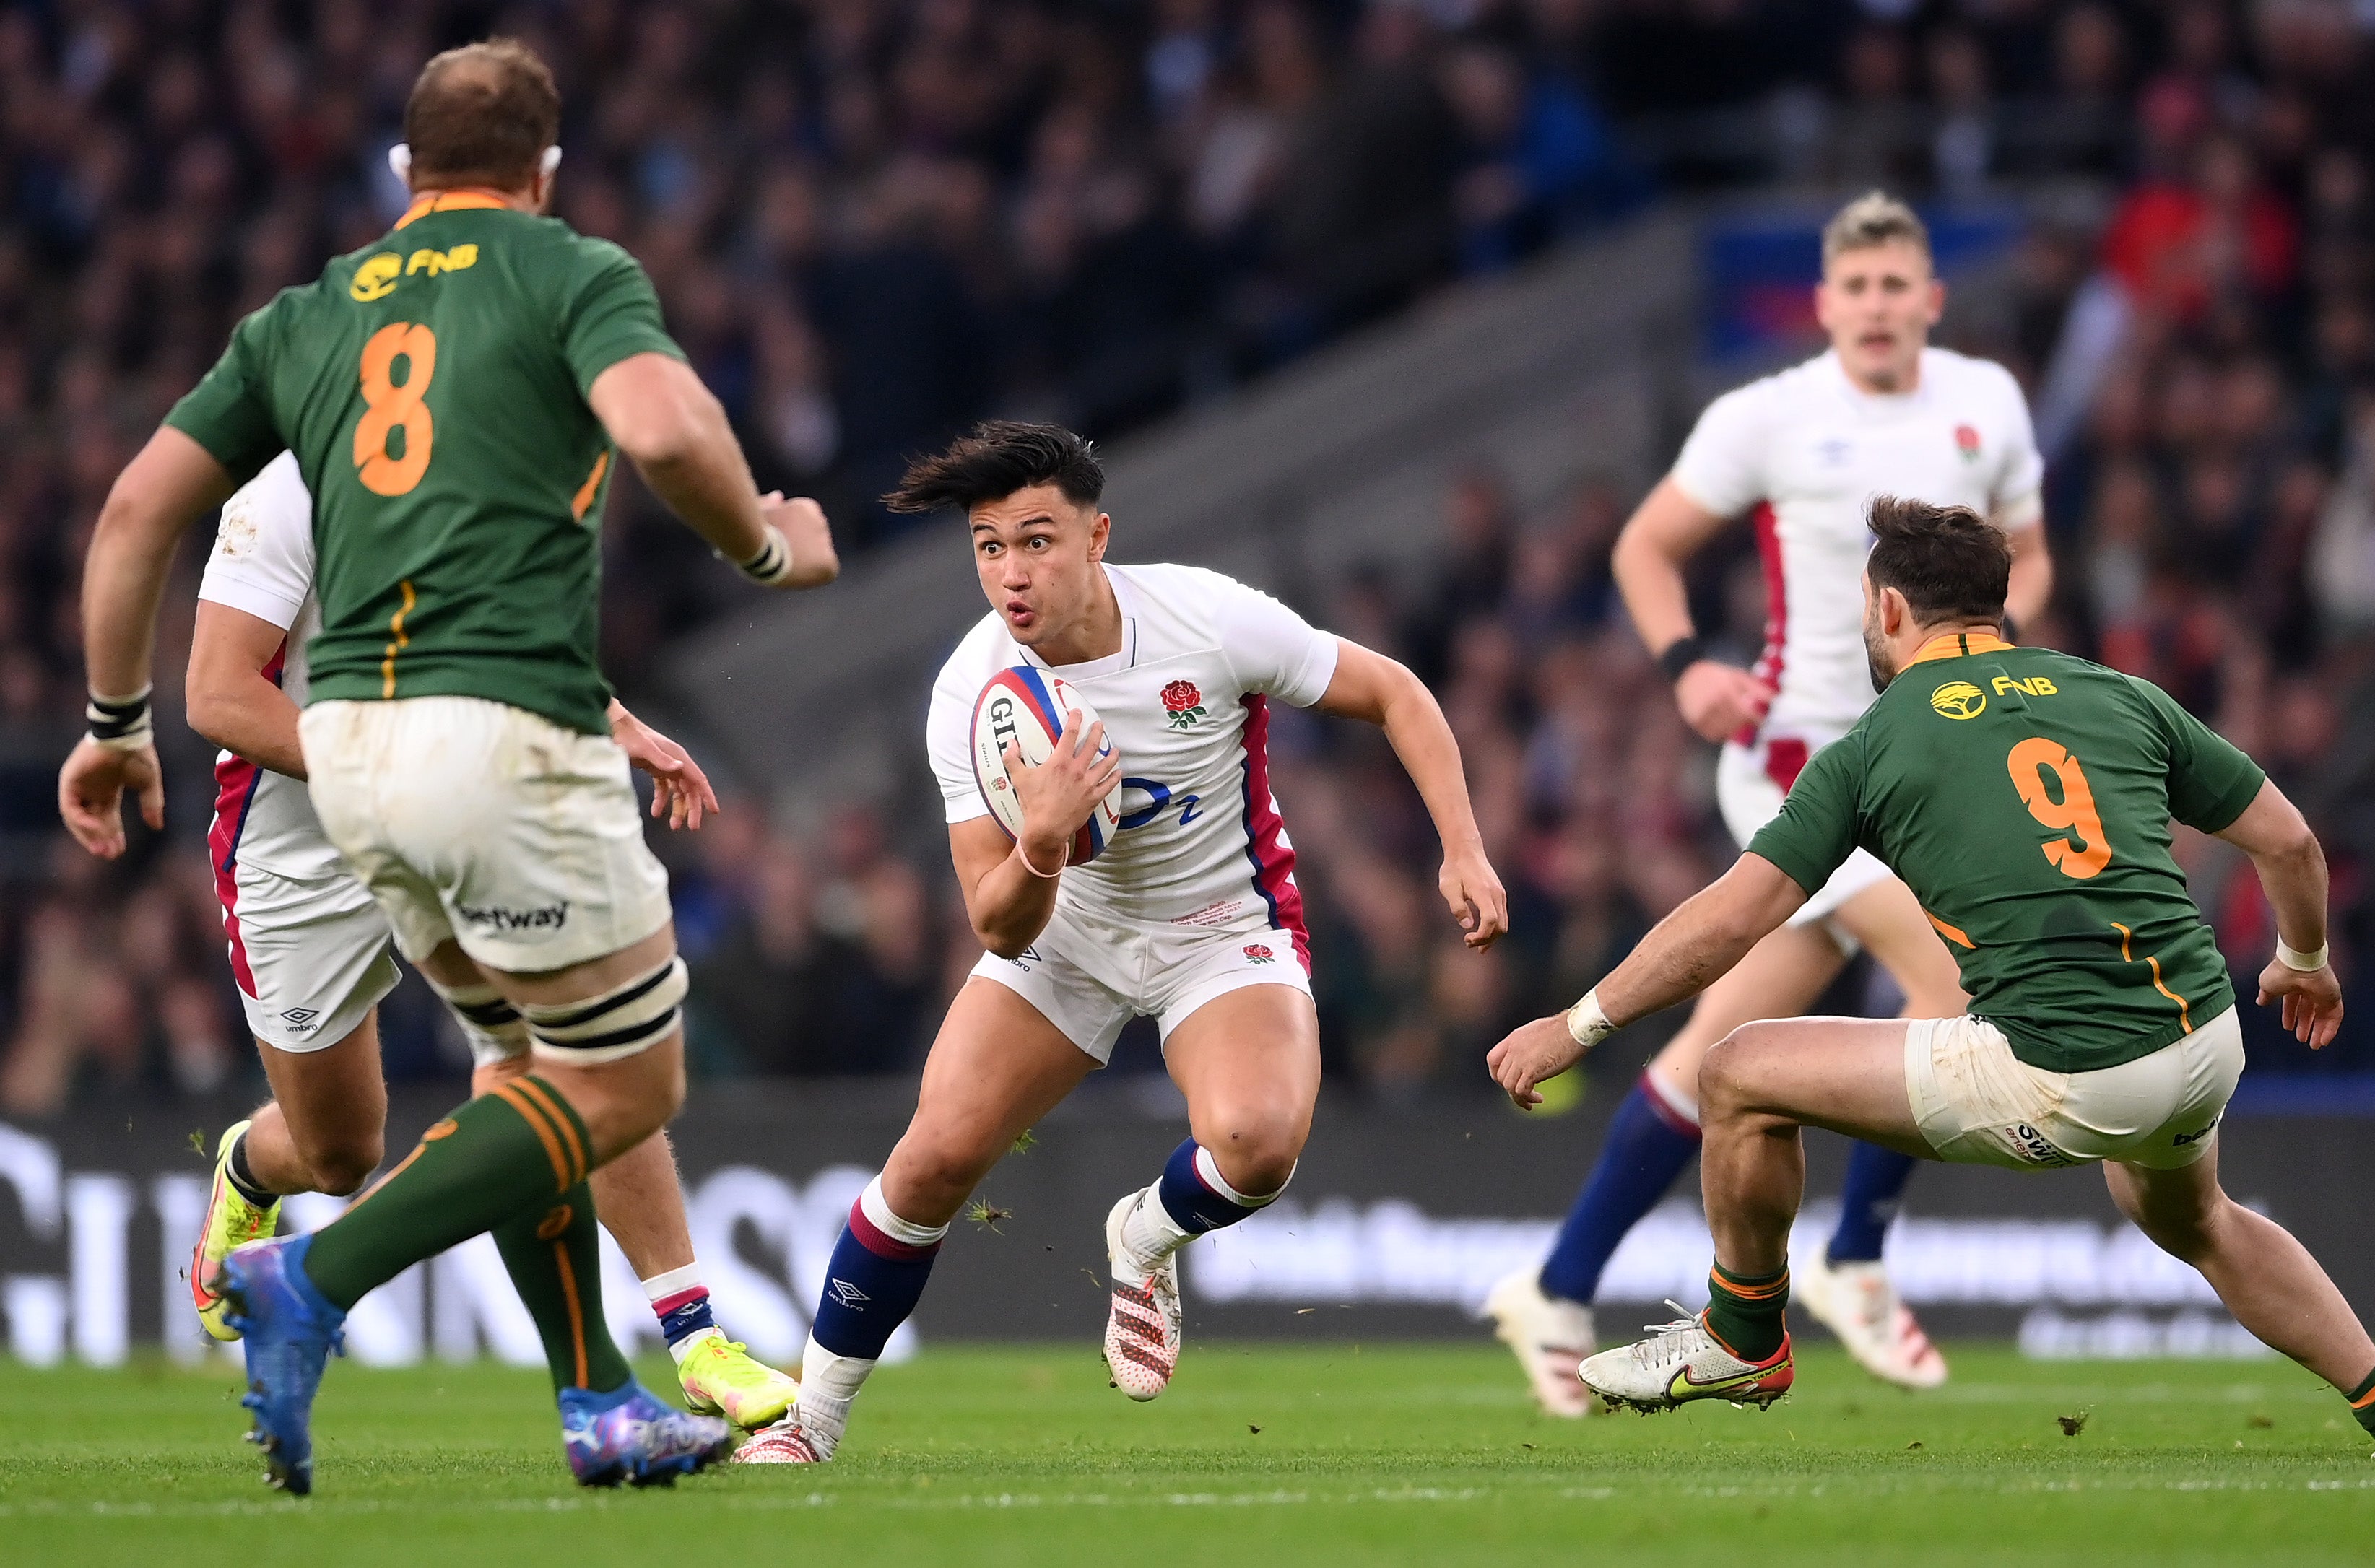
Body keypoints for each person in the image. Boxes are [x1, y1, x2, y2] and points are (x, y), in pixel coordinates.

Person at [56, 39, 835, 1494]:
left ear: (403, 176)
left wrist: (105, 731)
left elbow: (136, 521)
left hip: (382, 768)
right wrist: (773, 545)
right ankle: (314, 1262)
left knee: (526, 1064)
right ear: (546, 174)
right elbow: (224, 687)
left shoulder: (309, 337)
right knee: (559, 1096)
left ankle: (620, 1383)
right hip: (329, 814)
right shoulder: (546, 289)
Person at [1487, 497, 2375, 1461]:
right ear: (1995, 608)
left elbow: (1727, 923)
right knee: (2196, 1218)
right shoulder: (2116, 692)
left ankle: (1743, 1337)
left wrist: (1578, 1023)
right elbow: (2290, 841)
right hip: (2204, 1039)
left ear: (1887, 612)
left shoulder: (1877, 744)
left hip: (2066, 1067)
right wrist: (2304, 961)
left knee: (1738, 1070)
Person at [734, 421, 1508, 1465]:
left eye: (1038, 540)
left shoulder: (1206, 618)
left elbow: (1396, 693)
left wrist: (1461, 848)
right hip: (1067, 939)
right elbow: (995, 920)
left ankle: (1145, 1233)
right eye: (988, 546)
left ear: (1098, 539)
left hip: (1219, 927)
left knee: (1258, 1149)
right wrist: (1045, 837)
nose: (1012, 572)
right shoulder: (970, 692)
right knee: (931, 1163)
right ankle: (810, 1424)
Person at [1480, 190, 2054, 1414]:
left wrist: (2003, 645)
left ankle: (1558, 1279)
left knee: (1722, 1049)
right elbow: (1645, 547)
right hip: (1803, 763)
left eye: (1900, 286)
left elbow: (2030, 555)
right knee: (1958, 980)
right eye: (1857, 288)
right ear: (1827, 302)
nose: (1880, 308)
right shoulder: (1771, 414)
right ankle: (1852, 1262)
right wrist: (1687, 664)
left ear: (1932, 299)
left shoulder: (1986, 402)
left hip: (1936, 757)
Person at [178, 451, 796, 1431]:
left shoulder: (481, 457)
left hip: (447, 808)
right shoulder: (286, 493)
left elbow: (496, 638)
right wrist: (373, 776)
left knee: (564, 1048)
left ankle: (693, 1338)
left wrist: (616, 720)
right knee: (339, 1153)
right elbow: (218, 695)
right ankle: (255, 1171)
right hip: (299, 844)